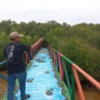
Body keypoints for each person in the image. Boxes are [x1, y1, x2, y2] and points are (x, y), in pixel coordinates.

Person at [3, 32, 44, 100]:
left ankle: (9, 98)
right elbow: (32, 48)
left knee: (10, 86)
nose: (20, 38)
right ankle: (23, 96)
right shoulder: (19, 45)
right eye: (19, 37)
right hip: (20, 69)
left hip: (10, 70)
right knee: (22, 84)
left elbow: (8, 58)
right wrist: (40, 40)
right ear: (16, 38)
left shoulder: (5, 48)